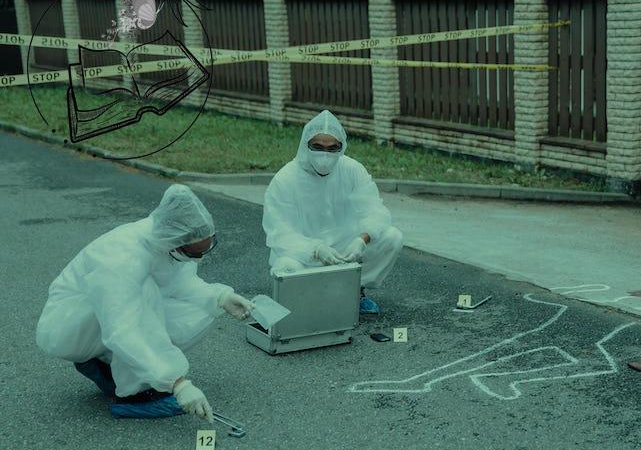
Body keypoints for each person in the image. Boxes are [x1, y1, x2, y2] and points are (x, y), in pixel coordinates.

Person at [36, 185, 254, 419]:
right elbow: (121, 328)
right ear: (176, 243)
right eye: (194, 253)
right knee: (144, 291)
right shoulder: (122, 257)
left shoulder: (164, 238)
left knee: (201, 310)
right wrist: (176, 382)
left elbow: (179, 283)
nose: (199, 257)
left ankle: (110, 366)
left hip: (105, 320)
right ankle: (133, 395)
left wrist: (218, 297)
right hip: (70, 328)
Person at [263, 110, 403, 315]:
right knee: (286, 268)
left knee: (392, 237)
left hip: (344, 249)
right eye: (317, 147)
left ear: (342, 147)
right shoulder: (285, 179)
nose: (325, 155)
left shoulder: (352, 170)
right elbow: (280, 233)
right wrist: (315, 249)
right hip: (303, 253)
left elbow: (375, 211)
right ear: (305, 145)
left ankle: (355, 291)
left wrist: (362, 240)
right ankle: (313, 298)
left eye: (332, 148)